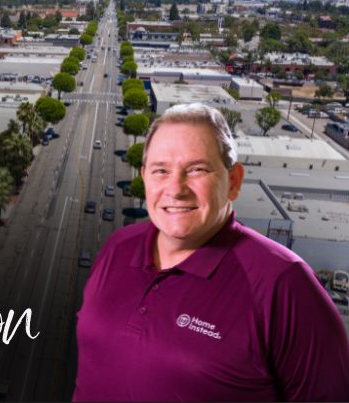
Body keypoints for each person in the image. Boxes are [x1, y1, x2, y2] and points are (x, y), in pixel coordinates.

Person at [73, 103, 349, 401]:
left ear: (233, 181)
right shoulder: (118, 247)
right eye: (160, 170)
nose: (176, 189)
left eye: (197, 170)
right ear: (145, 177)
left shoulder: (284, 285)